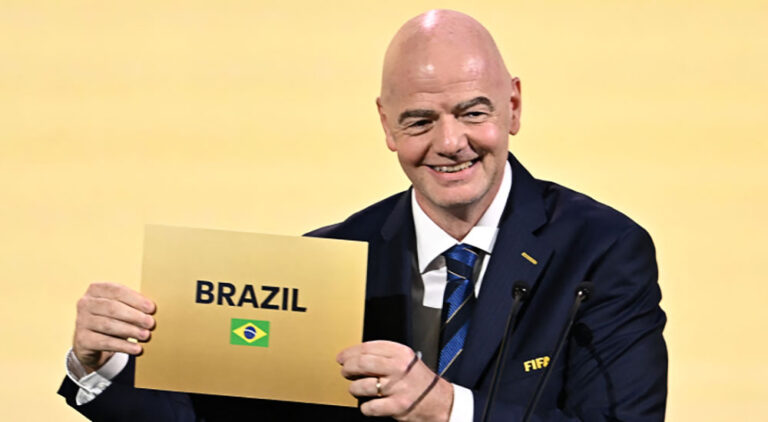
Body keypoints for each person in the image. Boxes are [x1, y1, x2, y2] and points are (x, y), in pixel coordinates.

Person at [58, 9, 667, 421]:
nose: (449, 143)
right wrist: (100, 363)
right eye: (419, 121)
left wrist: (448, 408)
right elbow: (211, 414)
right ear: (385, 125)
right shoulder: (330, 262)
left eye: (472, 112)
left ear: (513, 105)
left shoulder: (601, 251)